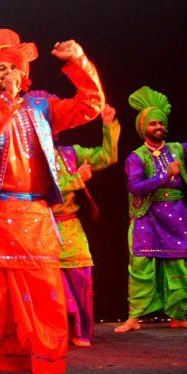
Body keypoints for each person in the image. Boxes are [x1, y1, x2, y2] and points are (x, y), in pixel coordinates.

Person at [0, 28, 105, 374]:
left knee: (45, 296)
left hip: (34, 217)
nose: (6, 74)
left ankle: (42, 367)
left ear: (25, 75)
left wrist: (78, 62)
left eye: (12, 68)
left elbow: (90, 105)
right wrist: (6, 102)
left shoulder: (43, 109)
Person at [113, 87, 187, 334]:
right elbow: (136, 187)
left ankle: (178, 315)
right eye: (153, 123)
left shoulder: (177, 149)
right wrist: (165, 175)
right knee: (142, 266)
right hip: (148, 215)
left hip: (177, 213)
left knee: (181, 266)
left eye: (161, 123)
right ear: (143, 128)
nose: (158, 127)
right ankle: (134, 317)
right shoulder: (136, 157)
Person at [52, 103, 121, 347]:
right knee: (53, 286)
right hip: (44, 227)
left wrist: (108, 126)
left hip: (71, 225)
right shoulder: (30, 160)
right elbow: (42, 190)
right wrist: (76, 179)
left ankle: (81, 331)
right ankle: (59, 332)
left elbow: (106, 157)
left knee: (82, 277)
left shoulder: (70, 153)